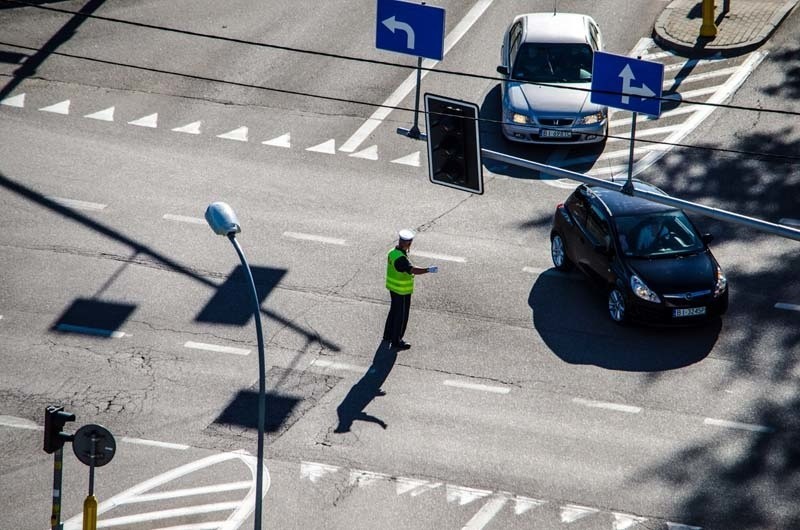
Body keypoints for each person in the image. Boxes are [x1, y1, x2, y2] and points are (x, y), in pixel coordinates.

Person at [382, 229, 438, 350]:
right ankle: (397, 341)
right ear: (408, 243)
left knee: (393, 312)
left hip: (393, 288)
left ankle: (388, 335)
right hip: (401, 290)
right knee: (400, 316)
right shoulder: (401, 258)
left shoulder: (393, 252)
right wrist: (428, 270)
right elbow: (412, 270)